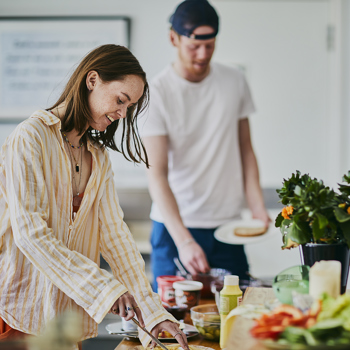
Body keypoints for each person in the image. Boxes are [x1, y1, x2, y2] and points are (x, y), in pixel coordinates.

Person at [0, 44, 189, 350]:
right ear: (92, 81)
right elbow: (30, 235)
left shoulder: (98, 158)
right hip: (20, 316)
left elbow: (115, 237)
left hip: (66, 323)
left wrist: (152, 313)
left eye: (130, 106)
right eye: (120, 100)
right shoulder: (30, 138)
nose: (122, 113)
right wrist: (104, 289)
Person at [139, 0, 271, 290]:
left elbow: (246, 149)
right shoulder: (156, 93)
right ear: (173, 38)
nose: (203, 55)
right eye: (194, 46)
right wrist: (184, 240)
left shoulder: (234, 80)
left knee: (236, 313)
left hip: (228, 225)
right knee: (173, 322)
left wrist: (257, 206)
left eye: (210, 46)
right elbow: (156, 174)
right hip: (175, 228)